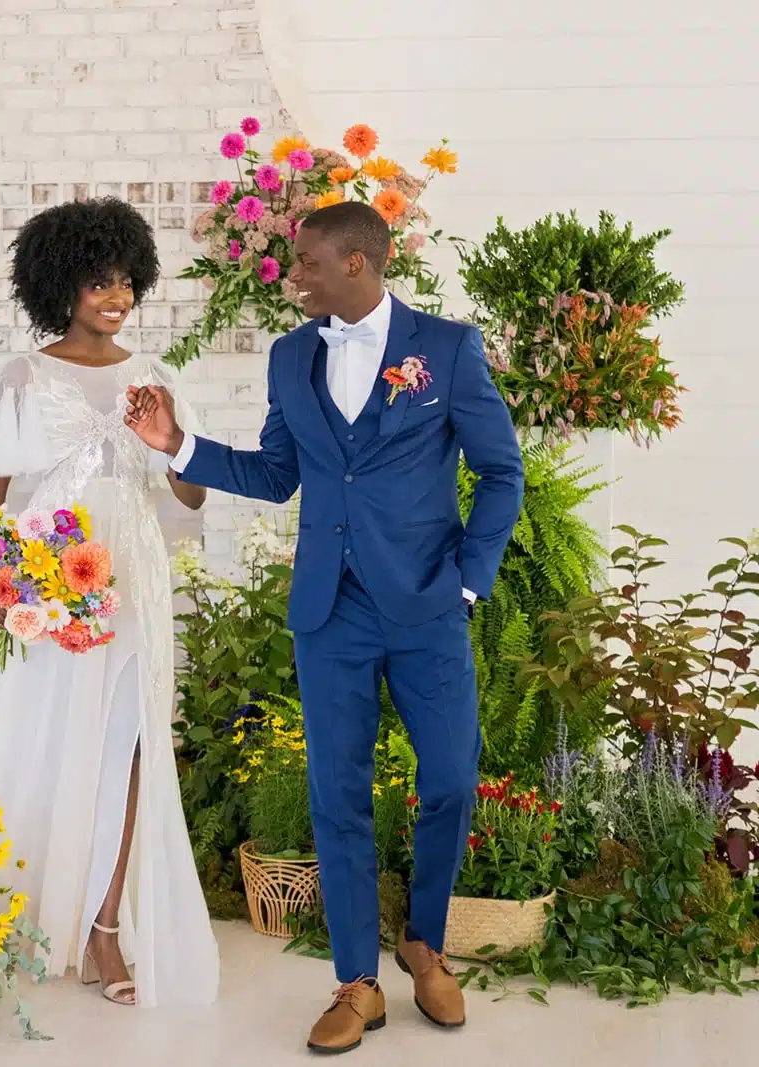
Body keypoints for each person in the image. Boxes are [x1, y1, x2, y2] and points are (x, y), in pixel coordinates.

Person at [126, 202, 522, 1052]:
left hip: (428, 604)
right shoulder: (291, 355)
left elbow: (502, 472)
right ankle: (356, 982)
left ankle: (424, 943)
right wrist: (177, 443)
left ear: (356, 264)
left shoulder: (447, 349)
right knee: (336, 792)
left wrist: (467, 583)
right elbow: (278, 474)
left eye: (306, 261)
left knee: (452, 777)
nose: (292, 274)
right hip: (329, 610)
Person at [0, 197, 220, 1008]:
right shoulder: (23, 376)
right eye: (99, 281)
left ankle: (105, 928)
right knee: (41, 733)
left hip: (133, 577)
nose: (117, 295)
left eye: (126, 279)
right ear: (62, 284)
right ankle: (14, 904)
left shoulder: (155, 377)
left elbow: (191, 495)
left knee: (129, 743)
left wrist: (170, 439)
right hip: (50, 576)